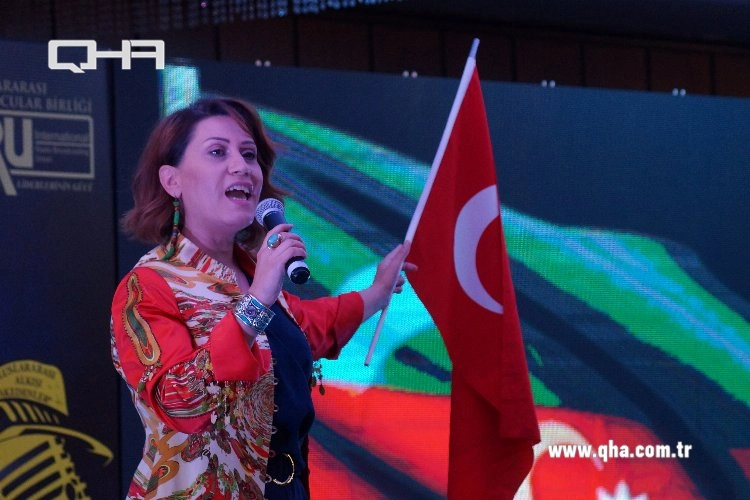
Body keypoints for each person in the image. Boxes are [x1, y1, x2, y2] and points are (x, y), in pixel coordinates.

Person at [110, 96, 414, 499]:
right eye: (218, 152)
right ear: (172, 181)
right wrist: (255, 302)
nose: (241, 166)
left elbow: (308, 327)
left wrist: (378, 291)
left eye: (249, 154)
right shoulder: (150, 285)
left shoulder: (253, 273)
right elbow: (179, 401)